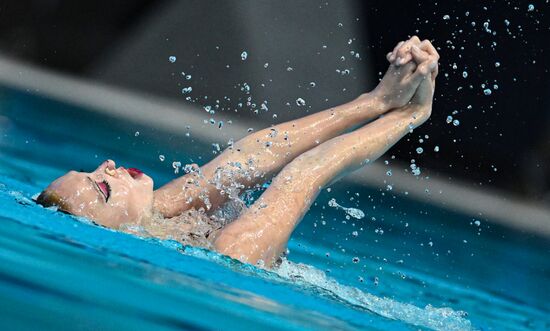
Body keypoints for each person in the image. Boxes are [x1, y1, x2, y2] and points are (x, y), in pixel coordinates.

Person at [37, 36, 439, 268]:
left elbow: (249, 157)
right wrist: (411, 114)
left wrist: (374, 101)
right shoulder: (232, 250)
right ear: (115, 232)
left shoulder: (156, 215)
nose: (107, 166)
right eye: (102, 188)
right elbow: (306, 175)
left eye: (92, 169)